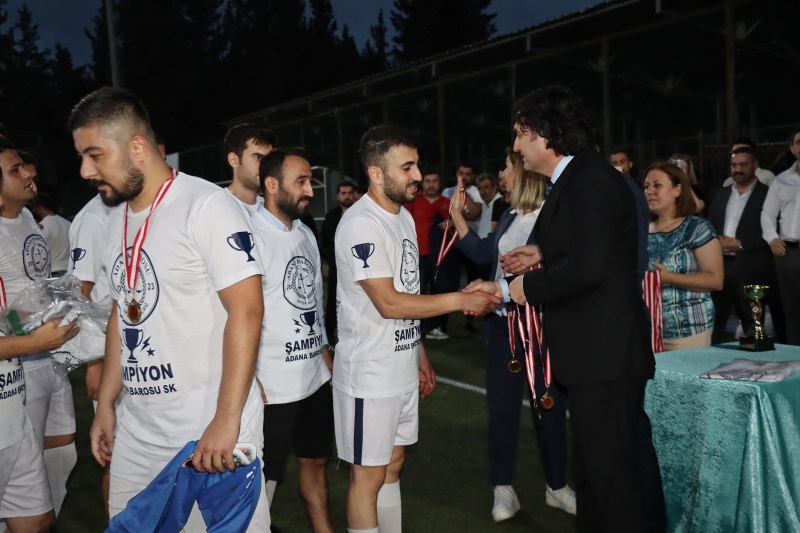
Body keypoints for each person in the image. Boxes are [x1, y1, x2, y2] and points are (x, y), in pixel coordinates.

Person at [467, 85, 665, 532]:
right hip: (594, 355)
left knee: (613, 483)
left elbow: (590, 269)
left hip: (606, 356)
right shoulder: (576, 179)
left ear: (545, 134)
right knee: (594, 475)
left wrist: (516, 289)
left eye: (520, 134)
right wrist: (542, 253)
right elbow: (592, 248)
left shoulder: (590, 180)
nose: (517, 146)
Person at [71, 87, 269, 529]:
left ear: (137, 148)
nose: (85, 170)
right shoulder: (114, 217)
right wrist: (107, 402)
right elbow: (124, 314)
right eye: (82, 157)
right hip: (138, 432)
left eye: (95, 155)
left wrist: (226, 420)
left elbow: (247, 311)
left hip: (209, 430)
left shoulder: (206, 206)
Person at [333, 125, 500, 533]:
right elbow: (389, 302)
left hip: (401, 364)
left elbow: (408, 292)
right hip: (370, 374)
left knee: (393, 464)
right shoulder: (360, 224)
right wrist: (461, 300)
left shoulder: (405, 218)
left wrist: (418, 351)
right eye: (407, 167)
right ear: (376, 173)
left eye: (417, 165)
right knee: (367, 477)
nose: (418, 175)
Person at [451, 148, 575, 521]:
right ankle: (502, 488)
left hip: (542, 328)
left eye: (506, 167)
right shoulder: (508, 214)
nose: (502, 174)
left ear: (523, 172)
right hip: (503, 327)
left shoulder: (555, 216)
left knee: (549, 409)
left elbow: (567, 268)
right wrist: (457, 217)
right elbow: (483, 254)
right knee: (502, 410)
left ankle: (557, 486)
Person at [250, 147, 335, 532]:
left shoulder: (304, 233)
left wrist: (324, 351)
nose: (310, 191)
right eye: (300, 182)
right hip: (272, 385)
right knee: (261, 475)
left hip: (313, 377)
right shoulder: (248, 237)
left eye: (309, 182)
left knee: (315, 462)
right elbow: (235, 315)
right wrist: (250, 377)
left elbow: (313, 298)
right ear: (272, 185)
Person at [0, 141, 80, 533]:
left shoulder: (29, 220)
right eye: (16, 169)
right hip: (19, 361)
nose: (30, 172)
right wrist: (31, 334)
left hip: (48, 354)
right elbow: (10, 310)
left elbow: (33, 286)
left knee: (62, 449)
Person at [708, 146, 785, 344]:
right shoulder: (722, 193)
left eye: (743, 164)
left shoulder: (767, 194)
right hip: (722, 267)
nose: (738, 169)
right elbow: (710, 223)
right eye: (734, 165)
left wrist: (741, 244)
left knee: (753, 328)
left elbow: (774, 230)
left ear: (755, 165)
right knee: (715, 324)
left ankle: (756, 360)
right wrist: (716, 241)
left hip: (753, 268)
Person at [644, 162, 723, 350]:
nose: (649, 191)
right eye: (646, 186)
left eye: (657, 185)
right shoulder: (640, 230)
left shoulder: (697, 228)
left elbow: (715, 280)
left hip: (688, 331)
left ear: (677, 190)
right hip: (646, 330)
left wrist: (669, 278)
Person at [761, 127, 800, 345]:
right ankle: (795, 357)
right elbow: (767, 213)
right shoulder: (781, 180)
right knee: (792, 310)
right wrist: (772, 238)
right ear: (792, 148)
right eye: (799, 142)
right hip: (787, 253)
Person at [405, 170, 450, 340]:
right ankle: (417, 327)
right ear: (422, 183)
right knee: (418, 291)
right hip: (417, 255)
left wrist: (452, 222)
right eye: (428, 181)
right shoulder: (413, 201)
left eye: (434, 181)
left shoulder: (447, 203)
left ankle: (435, 326)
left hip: (440, 256)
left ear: (440, 183)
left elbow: (458, 224)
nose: (431, 184)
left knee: (439, 292)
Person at [321, 180, 356, 344]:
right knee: (333, 302)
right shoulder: (331, 216)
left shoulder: (360, 214)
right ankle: (329, 337)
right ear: (338, 196)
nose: (347, 196)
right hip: (336, 269)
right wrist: (330, 258)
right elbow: (324, 241)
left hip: (357, 267)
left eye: (350, 193)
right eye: (343, 193)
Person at [223, 122, 276, 216]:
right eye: (257, 158)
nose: (266, 165)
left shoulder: (273, 212)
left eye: (269, 159)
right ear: (234, 160)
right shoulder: (214, 206)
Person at [28, 192, 71, 276]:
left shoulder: (43, 226)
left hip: (53, 273)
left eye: (34, 209)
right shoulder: (68, 224)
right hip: (70, 272)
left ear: (39, 209)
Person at [475, 173, 502, 239]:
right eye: (480, 188)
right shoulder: (484, 206)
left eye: (486, 187)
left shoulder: (501, 204)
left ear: (495, 188)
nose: (483, 191)